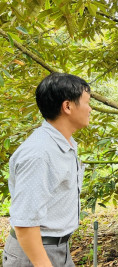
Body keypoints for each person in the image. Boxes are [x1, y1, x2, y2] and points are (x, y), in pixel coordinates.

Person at [2, 73, 92, 266]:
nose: (90, 109)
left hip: (60, 248)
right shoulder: (40, 153)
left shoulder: (65, 143)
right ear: (67, 106)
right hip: (35, 253)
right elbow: (25, 224)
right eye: (87, 102)